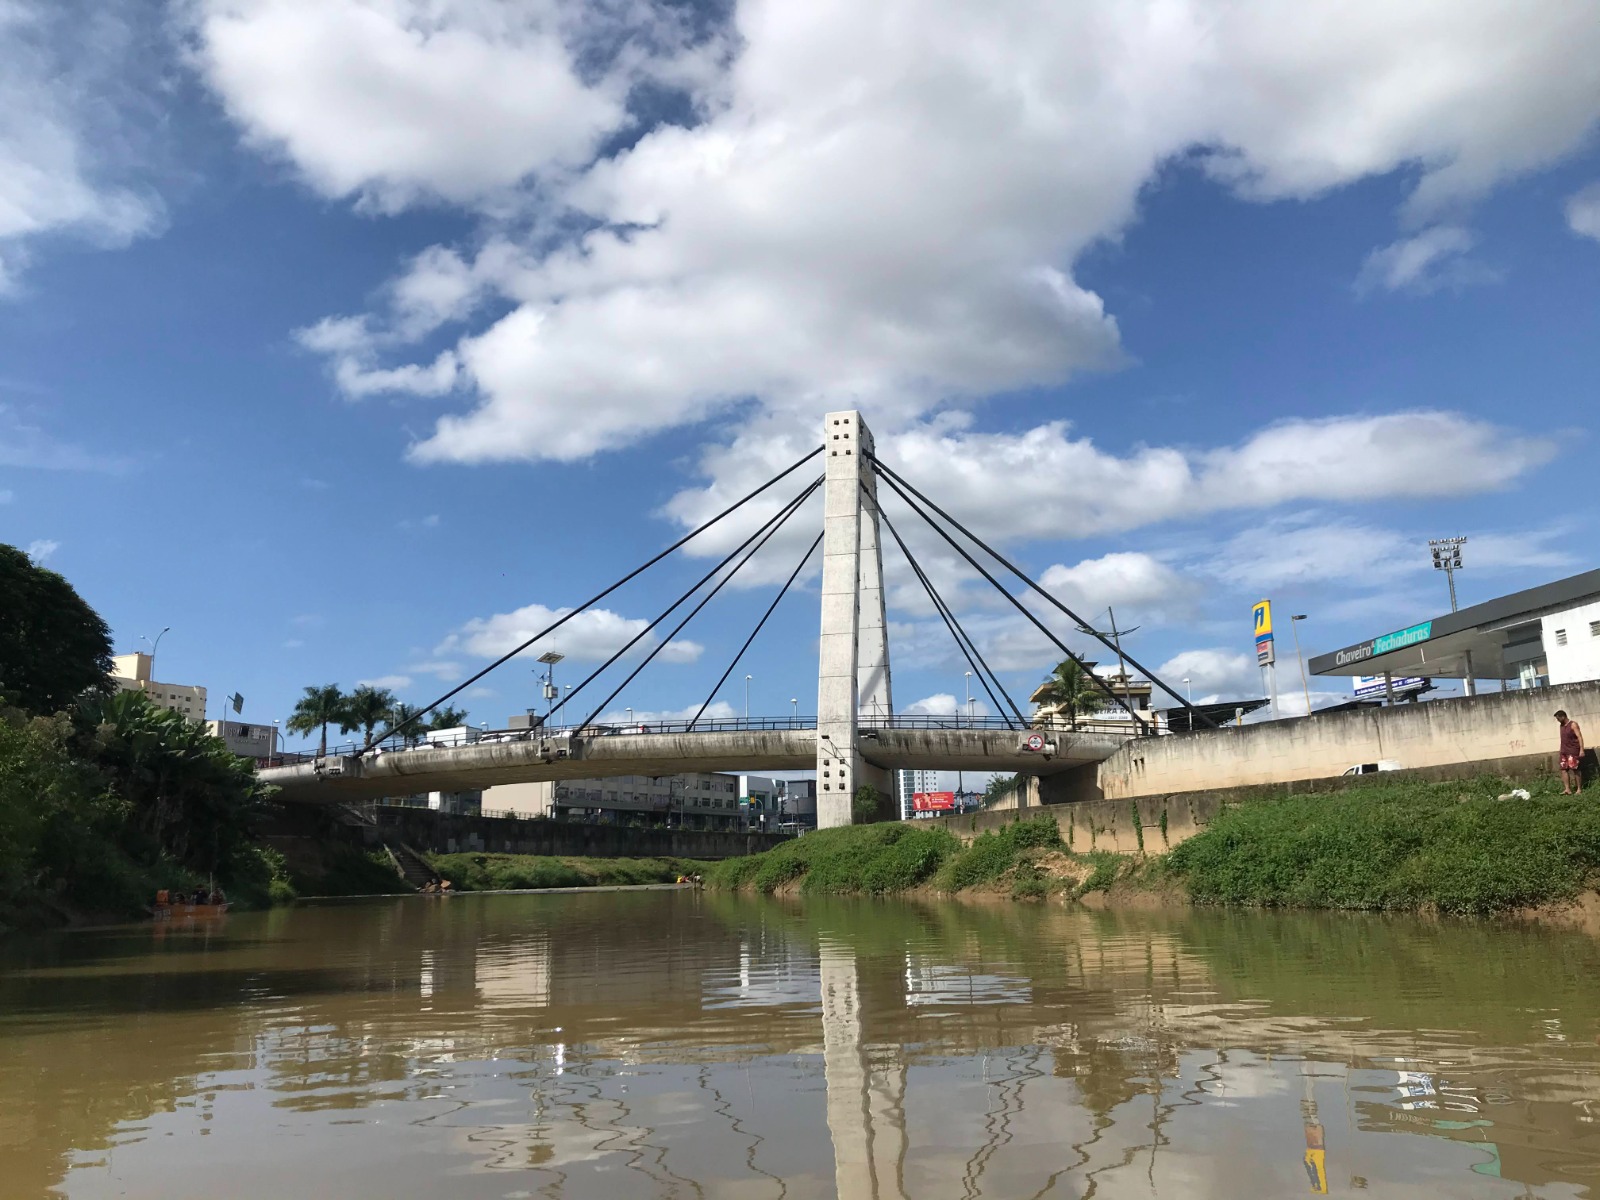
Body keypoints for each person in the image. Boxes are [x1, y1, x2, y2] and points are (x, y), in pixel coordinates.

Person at [1557, 710, 1585, 795]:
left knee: (1575, 769)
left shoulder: (1573, 724)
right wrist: (1560, 749)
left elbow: (1579, 737)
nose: (1558, 720)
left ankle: (1579, 789)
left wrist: (1581, 750)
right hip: (1564, 751)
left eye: (1558, 718)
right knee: (1563, 770)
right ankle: (1567, 789)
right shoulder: (1561, 726)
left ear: (1563, 717)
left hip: (1573, 751)